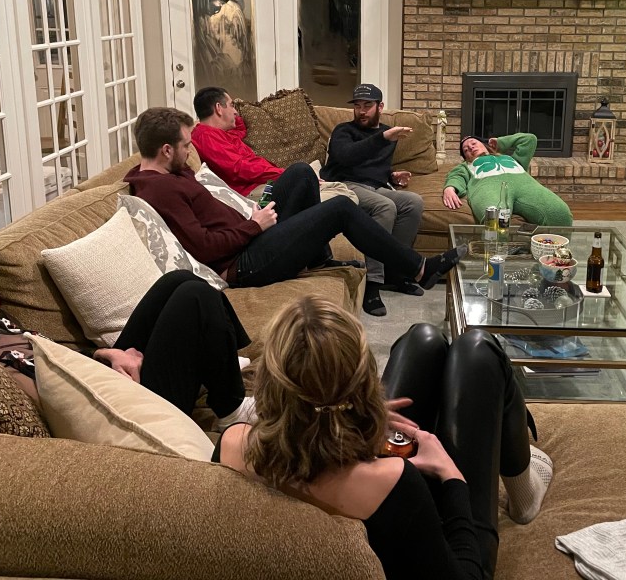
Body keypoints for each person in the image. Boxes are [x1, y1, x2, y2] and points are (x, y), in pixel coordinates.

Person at [214, 297, 553, 580]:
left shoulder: (232, 443)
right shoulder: (394, 483)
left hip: (334, 457)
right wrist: (451, 477)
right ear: (364, 381)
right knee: (478, 351)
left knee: (423, 340)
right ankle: (523, 495)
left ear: (269, 383)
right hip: (425, 542)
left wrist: (351, 420)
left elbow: (298, 445)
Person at [0, 255, 256, 430]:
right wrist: (115, 379)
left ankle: (215, 360)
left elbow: (54, 356)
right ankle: (230, 409)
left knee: (176, 281)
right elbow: (63, 402)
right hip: (120, 407)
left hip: (99, 374)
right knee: (193, 297)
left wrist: (105, 354)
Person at [124, 107, 466, 290]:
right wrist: (254, 226)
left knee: (301, 172)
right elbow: (204, 247)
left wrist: (251, 214)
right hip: (243, 263)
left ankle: (316, 257)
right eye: (186, 145)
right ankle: (420, 269)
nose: (190, 151)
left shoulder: (170, 172)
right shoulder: (160, 190)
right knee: (340, 208)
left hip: (249, 236)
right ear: (166, 149)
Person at [322, 84, 425, 317]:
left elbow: (374, 166)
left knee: (413, 202)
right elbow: (347, 157)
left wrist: (392, 175)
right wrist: (383, 138)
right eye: (357, 106)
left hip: (375, 186)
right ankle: (373, 282)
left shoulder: (388, 134)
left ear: (380, 107)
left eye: (367, 105)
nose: (361, 111)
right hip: (345, 184)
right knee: (385, 207)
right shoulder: (344, 131)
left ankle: (397, 272)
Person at [443, 133, 573, 226]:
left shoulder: (512, 159)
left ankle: (555, 254)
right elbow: (456, 176)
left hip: (525, 185)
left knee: (560, 213)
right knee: (494, 219)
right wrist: (450, 188)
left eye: (473, 143)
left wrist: (501, 142)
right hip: (489, 188)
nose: (470, 147)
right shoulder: (467, 165)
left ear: (483, 144)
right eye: (466, 150)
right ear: (465, 157)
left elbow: (529, 140)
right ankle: (497, 255)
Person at [190, 86, 285, 199]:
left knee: (300, 175)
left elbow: (239, 130)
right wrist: (281, 174)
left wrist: (234, 117)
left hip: (261, 184)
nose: (235, 111)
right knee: (299, 173)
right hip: (249, 193)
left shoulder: (222, 134)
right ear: (218, 108)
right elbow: (238, 168)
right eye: (232, 105)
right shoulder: (205, 136)